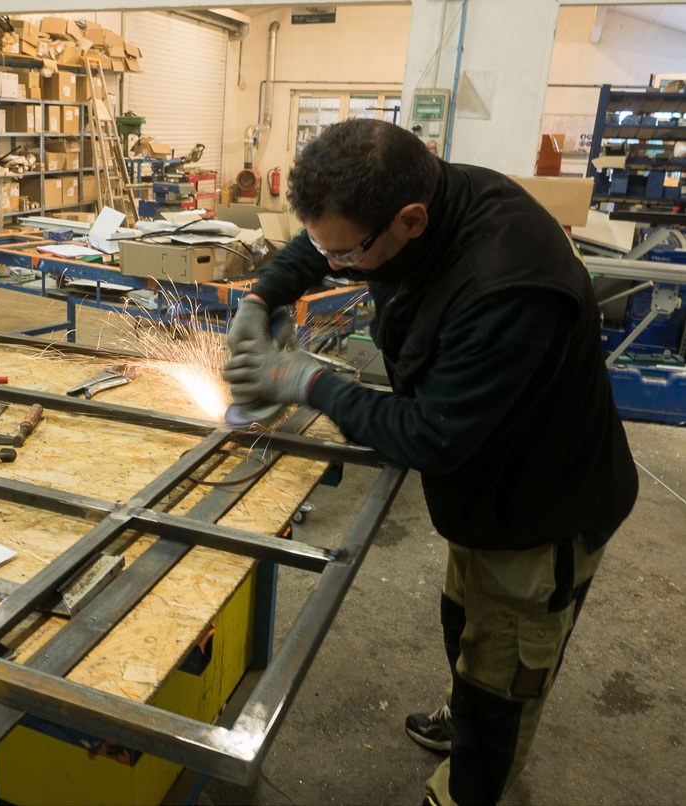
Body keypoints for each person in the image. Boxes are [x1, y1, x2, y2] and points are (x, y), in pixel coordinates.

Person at [223, 118, 638, 805]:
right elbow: (321, 243)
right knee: (466, 622)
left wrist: (308, 381)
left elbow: (429, 436)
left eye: (350, 255)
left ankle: (471, 783)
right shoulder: (416, 199)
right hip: (482, 486)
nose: (340, 265)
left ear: (410, 221)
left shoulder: (507, 286)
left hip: (541, 510)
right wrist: (264, 295)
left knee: (504, 677)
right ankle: (468, 709)